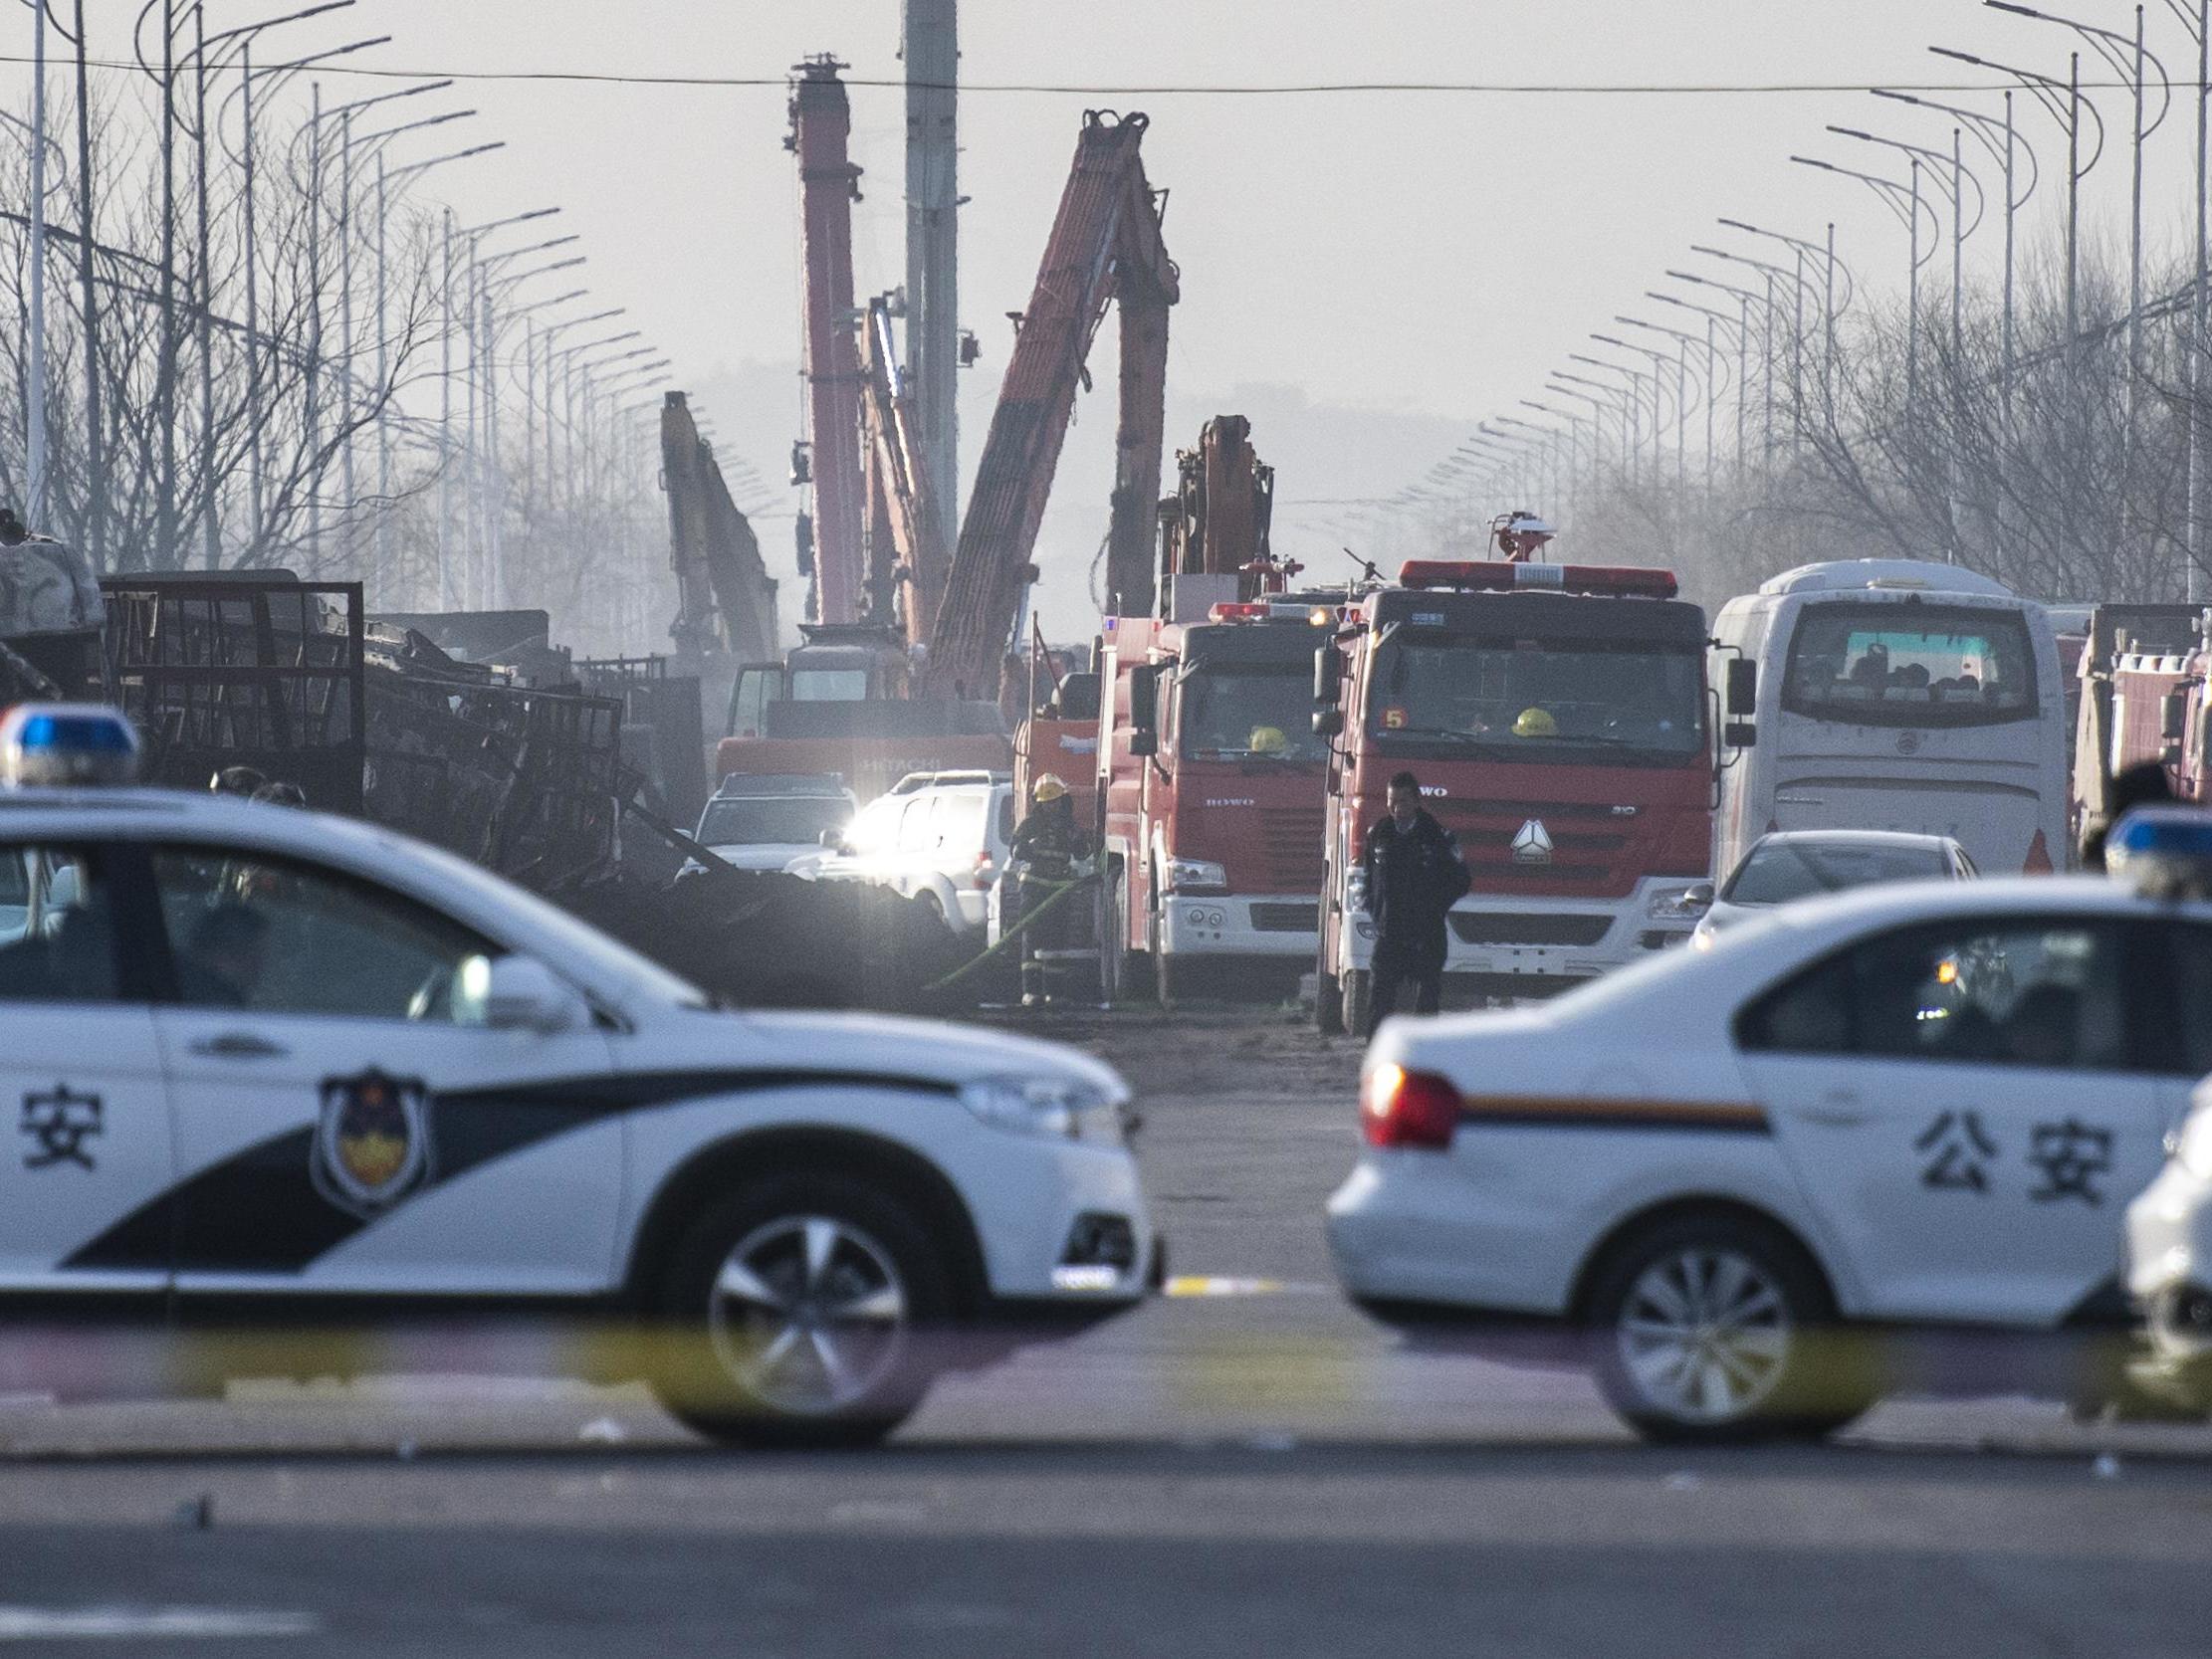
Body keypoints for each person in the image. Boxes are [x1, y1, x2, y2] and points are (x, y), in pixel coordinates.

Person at [1361, 770, 1471, 1037]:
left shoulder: (1437, 836)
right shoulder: (1379, 833)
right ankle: (1376, 1050)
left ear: (1417, 802)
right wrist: (1374, 909)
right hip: (1389, 931)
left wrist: (1435, 908)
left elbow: (1461, 880)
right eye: (1392, 801)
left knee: (1427, 997)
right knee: (1379, 994)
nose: (1397, 808)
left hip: (1426, 932)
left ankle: (1423, 1055)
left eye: (1403, 801)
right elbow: (1368, 878)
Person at [1007, 774, 1094, 1006]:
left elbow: (1083, 854)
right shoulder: (1029, 825)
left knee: (1057, 939)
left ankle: (1054, 993)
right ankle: (1031, 992)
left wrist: (1080, 840)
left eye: (1054, 801)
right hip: (1033, 887)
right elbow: (1014, 849)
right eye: (1046, 802)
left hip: (1058, 889)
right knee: (1032, 938)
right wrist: (1026, 848)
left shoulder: (1070, 826)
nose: (1051, 806)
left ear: (1062, 801)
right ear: (1039, 802)